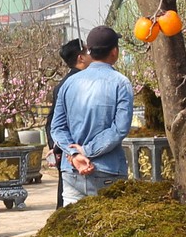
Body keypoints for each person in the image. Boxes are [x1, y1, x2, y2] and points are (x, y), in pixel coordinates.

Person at [49, 26, 135, 199]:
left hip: (73, 170)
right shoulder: (121, 83)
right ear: (114, 52)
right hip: (107, 170)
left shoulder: (68, 83)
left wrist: (75, 154)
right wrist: (87, 151)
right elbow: (120, 129)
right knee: (110, 224)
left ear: (89, 50)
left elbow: (57, 127)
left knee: (73, 223)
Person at [45, 38, 88, 208]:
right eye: (87, 50)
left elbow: (51, 121)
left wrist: (54, 146)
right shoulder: (79, 84)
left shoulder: (62, 84)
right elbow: (56, 120)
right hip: (76, 149)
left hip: (65, 148)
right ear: (81, 57)